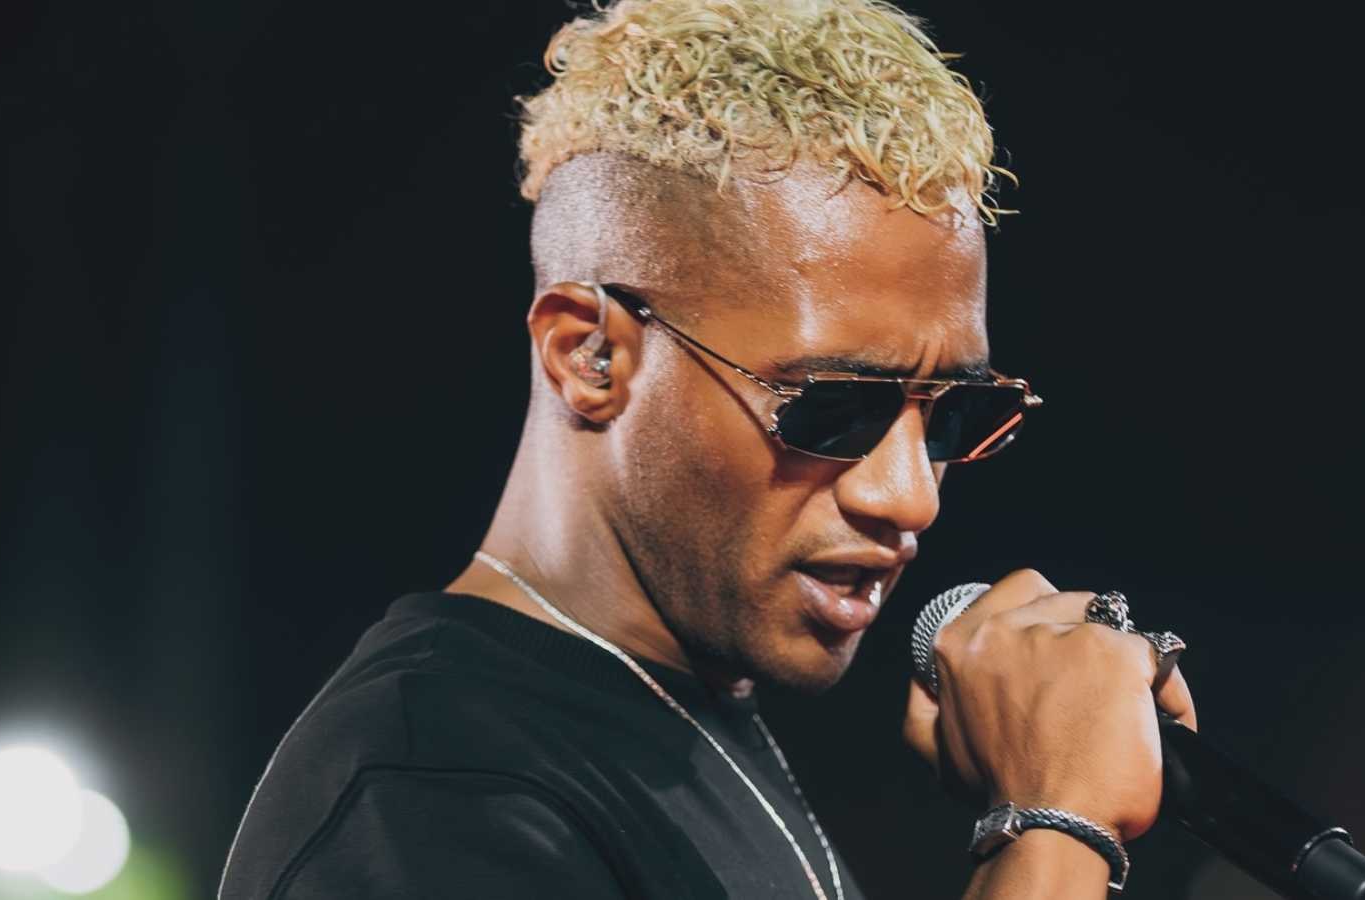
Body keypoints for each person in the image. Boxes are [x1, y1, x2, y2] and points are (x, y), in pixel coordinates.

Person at [219, 1, 1196, 897]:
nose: (911, 498)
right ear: (591, 355)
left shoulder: (680, 721)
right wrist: (1052, 826)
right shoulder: (433, 796)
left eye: (948, 419)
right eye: (832, 409)